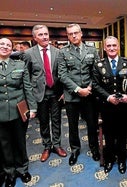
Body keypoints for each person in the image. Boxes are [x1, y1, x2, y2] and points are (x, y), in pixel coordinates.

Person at [92, 36, 127, 174]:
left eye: (114, 45)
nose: (112, 48)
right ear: (105, 48)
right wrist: (108, 97)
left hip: (123, 107)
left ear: (118, 47)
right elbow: (95, 85)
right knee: (109, 135)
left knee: (122, 135)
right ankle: (109, 160)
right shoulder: (99, 65)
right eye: (109, 46)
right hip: (106, 107)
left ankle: (122, 160)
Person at [57, 23, 100, 166]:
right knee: (72, 125)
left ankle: (94, 148)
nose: (74, 36)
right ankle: (75, 150)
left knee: (92, 124)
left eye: (76, 33)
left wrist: (89, 88)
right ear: (67, 36)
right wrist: (77, 89)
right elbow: (62, 75)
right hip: (72, 96)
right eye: (70, 34)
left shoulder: (92, 50)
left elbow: (97, 72)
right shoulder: (62, 52)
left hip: (90, 94)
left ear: (81, 33)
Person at [25, 24, 67, 162]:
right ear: (35, 37)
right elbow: (27, 75)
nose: (44, 37)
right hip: (39, 93)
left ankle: (57, 145)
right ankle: (47, 146)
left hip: (55, 93)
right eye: (41, 35)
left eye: (46, 34)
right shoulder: (29, 53)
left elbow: (62, 74)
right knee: (43, 122)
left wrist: (63, 91)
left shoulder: (57, 52)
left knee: (56, 120)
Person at [0, 38, 37, 186]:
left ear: (12, 49)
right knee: (4, 144)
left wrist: (32, 107)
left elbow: (27, 87)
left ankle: (22, 169)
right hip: (1, 112)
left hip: (18, 110)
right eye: (2, 44)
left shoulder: (20, 64)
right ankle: (9, 172)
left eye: (8, 45)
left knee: (20, 141)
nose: (5, 47)